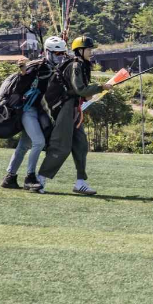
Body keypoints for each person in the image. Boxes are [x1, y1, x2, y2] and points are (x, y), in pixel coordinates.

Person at [36, 35, 111, 195]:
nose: (91, 52)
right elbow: (79, 89)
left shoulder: (83, 65)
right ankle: (39, 179)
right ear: (80, 50)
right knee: (61, 146)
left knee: (81, 144)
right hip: (65, 107)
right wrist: (100, 87)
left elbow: (78, 91)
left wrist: (88, 94)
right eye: (89, 49)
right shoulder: (76, 65)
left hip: (74, 107)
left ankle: (80, 182)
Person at [0, 36, 67, 191]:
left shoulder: (54, 67)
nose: (60, 56)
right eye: (57, 54)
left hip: (36, 109)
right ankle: (30, 177)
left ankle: (9, 178)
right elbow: (21, 84)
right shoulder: (36, 66)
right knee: (39, 142)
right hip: (26, 109)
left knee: (24, 145)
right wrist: (23, 72)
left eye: (62, 53)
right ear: (48, 53)